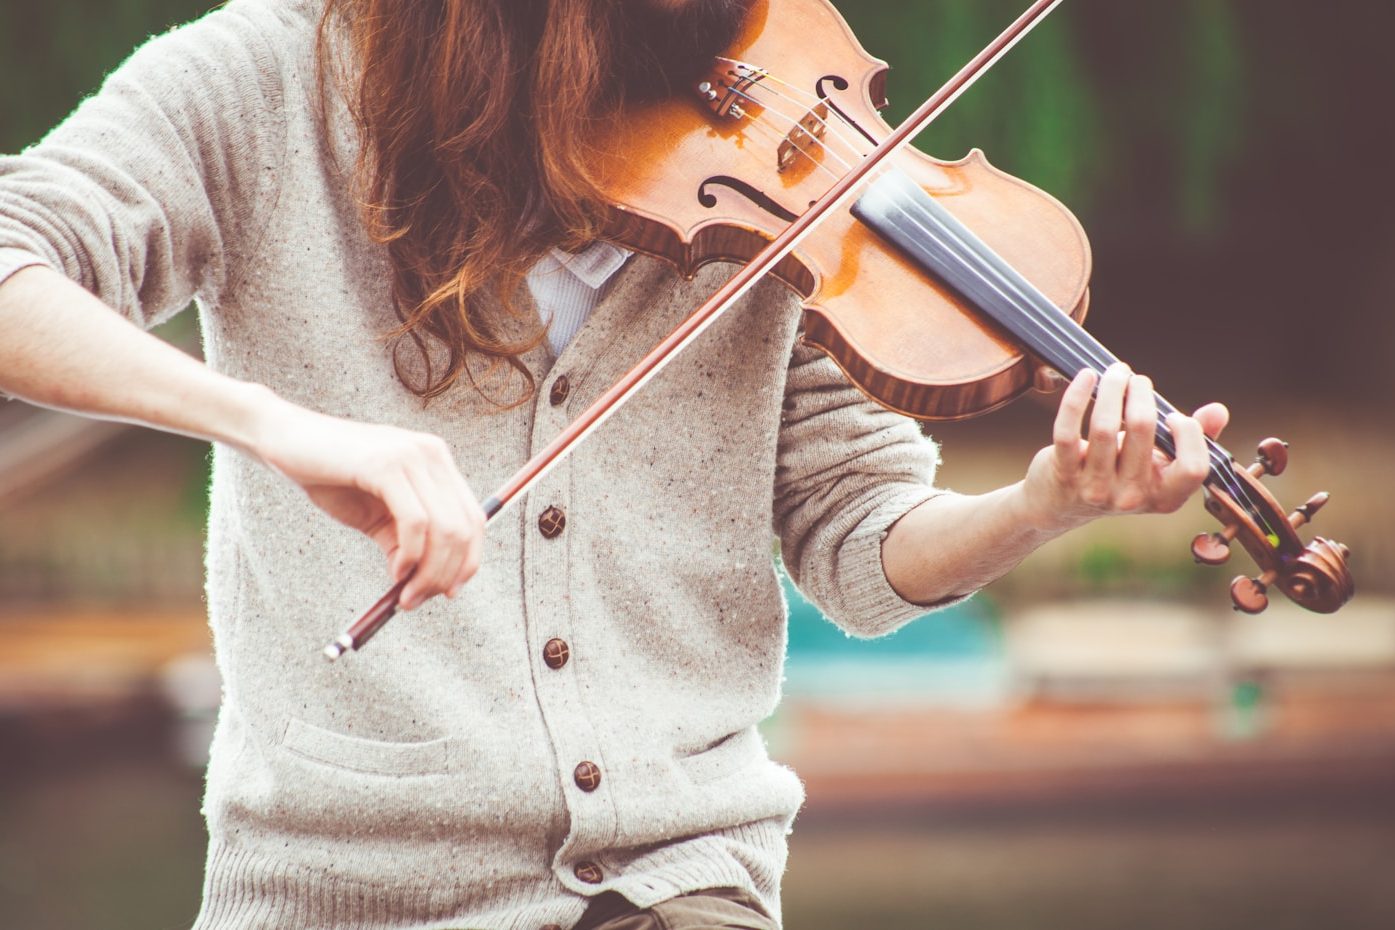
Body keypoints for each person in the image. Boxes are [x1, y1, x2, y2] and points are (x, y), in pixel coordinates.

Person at [0, 0, 1227, 927]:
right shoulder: (260, 82)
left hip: (683, 881)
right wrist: (271, 424)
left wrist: (1041, 504)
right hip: (349, 887)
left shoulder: (769, 156)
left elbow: (860, 539)